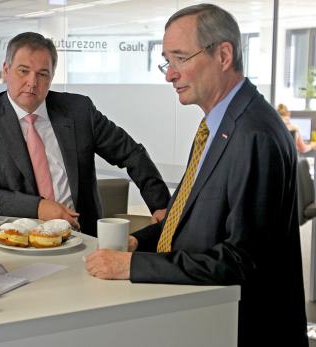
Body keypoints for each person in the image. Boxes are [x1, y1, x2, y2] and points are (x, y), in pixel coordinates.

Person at [85, 4, 307, 346]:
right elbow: (186, 219)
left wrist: (132, 266)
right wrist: (140, 243)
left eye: (180, 59)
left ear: (223, 55)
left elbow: (239, 260)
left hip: (240, 328)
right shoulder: (217, 125)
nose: (169, 74)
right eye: (167, 61)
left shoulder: (253, 134)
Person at [0, 32, 170, 236]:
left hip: (82, 236)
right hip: (18, 238)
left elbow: (131, 153)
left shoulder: (78, 110)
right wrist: (39, 207)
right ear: (6, 70)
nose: (32, 83)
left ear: (51, 77)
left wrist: (160, 205)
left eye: (42, 74)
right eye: (23, 71)